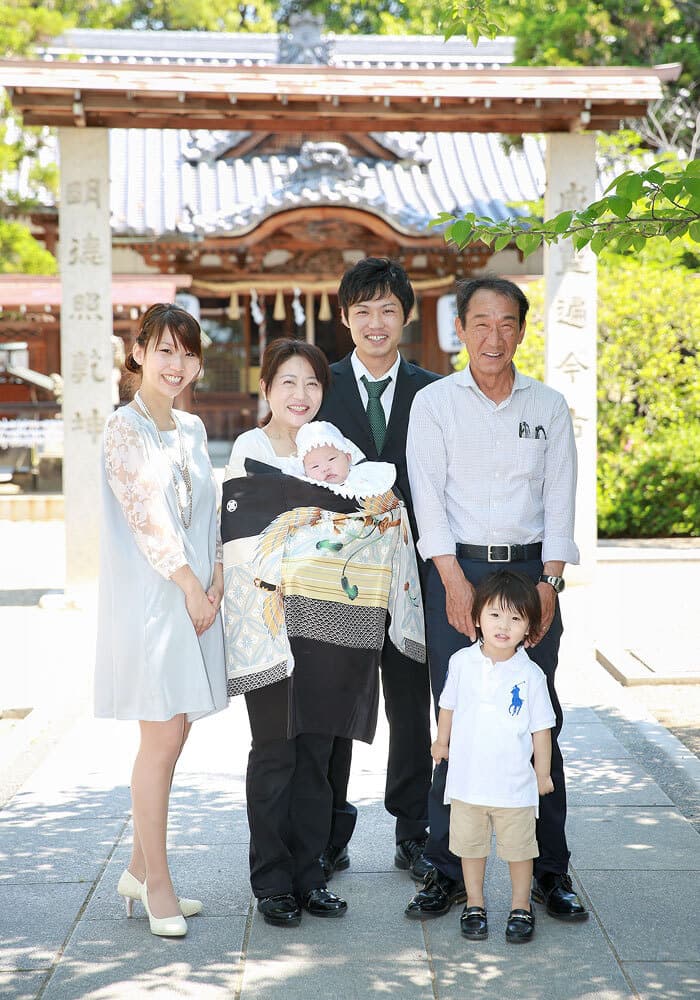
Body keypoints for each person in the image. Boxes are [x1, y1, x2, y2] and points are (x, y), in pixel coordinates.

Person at [405, 275, 589, 923]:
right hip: (458, 574)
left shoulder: (548, 405)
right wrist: (452, 581)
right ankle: (447, 868)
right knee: (456, 720)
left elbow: (562, 499)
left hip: (530, 578)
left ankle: (551, 868)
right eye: (480, 323)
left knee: (538, 720)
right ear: (460, 329)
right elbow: (427, 498)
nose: (493, 336)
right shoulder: (435, 404)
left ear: (521, 329)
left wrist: (552, 583)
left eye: (506, 323)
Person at [94, 303, 227, 938]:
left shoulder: (194, 430)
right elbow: (147, 516)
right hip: (155, 604)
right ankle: (159, 885)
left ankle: (137, 868)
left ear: (197, 362)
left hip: (196, 599)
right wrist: (189, 589)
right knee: (161, 739)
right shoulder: (124, 428)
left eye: (186, 353)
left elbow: (212, 511)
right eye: (163, 350)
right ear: (139, 351)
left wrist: (218, 577)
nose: (175, 364)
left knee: (177, 733)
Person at [317, 257, 440, 882]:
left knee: (411, 707)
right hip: (337, 576)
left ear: (406, 316)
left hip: (414, 575)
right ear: (345, 318)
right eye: (362, 310)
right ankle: (329, 831)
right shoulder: (316, 384)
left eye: (387, 309)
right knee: (336, 706)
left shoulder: (435, 391)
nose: (375, 322)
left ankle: (413, 830)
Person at [226, 338, 349, 928]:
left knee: (318, 753)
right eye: (289, 382)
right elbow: (240, 531)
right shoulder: (249, 448)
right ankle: (272, 880)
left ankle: (312, 875)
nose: (301, 395)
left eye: (313, 384)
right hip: (267, 619)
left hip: (325, 617)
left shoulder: (331, 449)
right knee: (275, 750)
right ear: (267, 388)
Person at [432, 571, 556, 944]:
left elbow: (541, 729)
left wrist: (542, 774)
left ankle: (521, 906)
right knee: (470, 849)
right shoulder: (461, 662)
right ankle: (475, 904)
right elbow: (448, 706)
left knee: (519, 851)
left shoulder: (531, 675)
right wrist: (441, 743)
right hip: (467, 783)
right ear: (476, 618)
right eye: (495, 615)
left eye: (516, 618)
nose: (504, 626)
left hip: (514, 787)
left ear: (529, 628)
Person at [292, 420, 396, 497]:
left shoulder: (368, 479)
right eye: (315, 466)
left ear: (348, 458)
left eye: (331, 459)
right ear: (305, 473)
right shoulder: (309, 496)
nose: (325, 468)